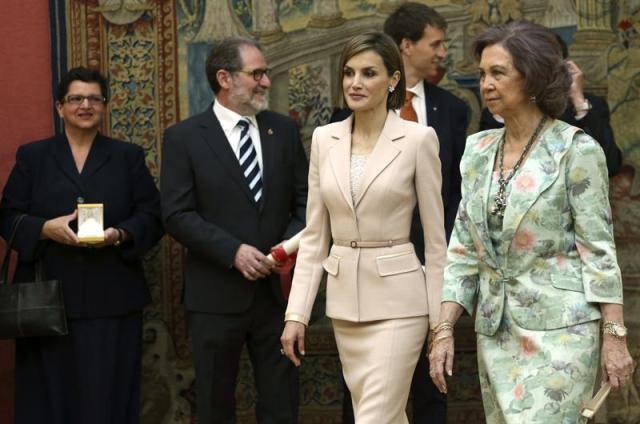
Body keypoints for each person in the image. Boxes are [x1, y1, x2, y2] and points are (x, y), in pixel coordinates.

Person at [429, 21, 634, 423]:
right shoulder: (477, 151)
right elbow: (463, 249)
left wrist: (614, 337)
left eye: (498, 73)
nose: (486, 83)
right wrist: (444, 329)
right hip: (496, 333)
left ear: (534, 76)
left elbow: (599, 251)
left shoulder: (576, 149)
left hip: (562, 333)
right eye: (483, 73)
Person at [280, 31, 447, 424]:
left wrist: (440, 327)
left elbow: (437, 245)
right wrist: (296, 315)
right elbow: (316, 236)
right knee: (385, 417)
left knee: (372, 417)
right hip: (344, 306)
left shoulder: (418, 140)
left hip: (401, 304)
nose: (355, 83)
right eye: (349, 72)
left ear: (392, 80)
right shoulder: (324, 139)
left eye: (368, 73)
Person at [0, 66, 164, 424]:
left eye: (94, 98)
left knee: (108, 396)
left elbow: (153, 216)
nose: (85, 105)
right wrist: (44, 229)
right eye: (76, 98)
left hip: (112, 297)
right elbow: (8, 215)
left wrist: (119, 234)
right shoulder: (33, 156)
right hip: (46, 299)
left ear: (105, 106)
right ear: (60, 107)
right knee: (47, 400)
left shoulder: (128, 157)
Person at [160, 37, 308, 423]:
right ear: (224, 78)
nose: (266, 82)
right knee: (214, 405)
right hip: (215, 296)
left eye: (266, 73)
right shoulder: (185, 138)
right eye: (256, 73)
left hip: (276, 297)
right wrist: (233, 252)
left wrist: (286, 249)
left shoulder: (284, 131)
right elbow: (176, 214)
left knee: (281, 404)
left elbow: (305, 202)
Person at [480, 33, 623, 176]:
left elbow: (610, 165)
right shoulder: (494, 114)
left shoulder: (588, 106)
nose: (486, 85)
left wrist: (578, 101)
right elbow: (483, 171)